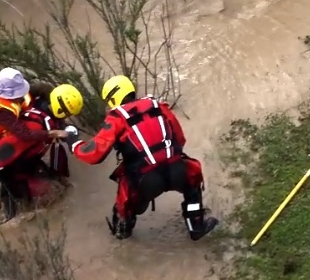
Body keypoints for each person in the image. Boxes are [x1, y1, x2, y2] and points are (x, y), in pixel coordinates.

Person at [64, 75, 219, 241]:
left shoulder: (117, 118)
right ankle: (196, 226)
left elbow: (94, 154)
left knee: (125, 204)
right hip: (177, 171)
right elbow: (180, 138)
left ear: (113, 98)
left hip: (145, 181)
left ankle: (122, 233)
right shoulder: (158, 106)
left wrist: (74, 143)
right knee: (193, 180)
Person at [0, 83, 84, 220]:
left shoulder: (38, 106)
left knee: (47, 176)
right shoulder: (38, 125)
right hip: (5, 166)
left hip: (17, 159)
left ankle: (10, 191)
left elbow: (53, 124)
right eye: (67, 113)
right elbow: (30, 136)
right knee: (34, 194)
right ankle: (10, 214)